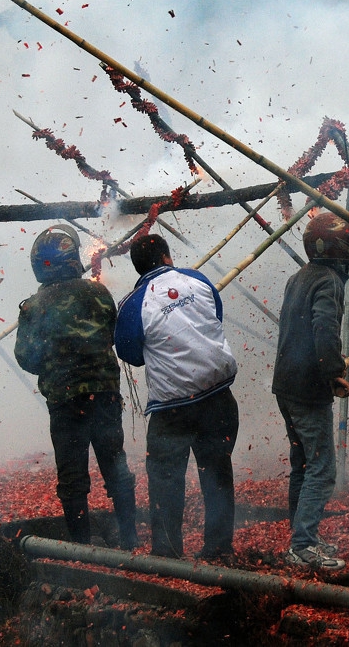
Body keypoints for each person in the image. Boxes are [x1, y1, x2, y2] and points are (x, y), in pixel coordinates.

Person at [115, 234, 239, 561]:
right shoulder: (198, 279)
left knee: (166, 481)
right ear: (168, 257)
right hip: (219, 396)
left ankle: (168, 553)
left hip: (173, 409)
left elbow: (130, 353)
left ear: (138, 267)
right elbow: (214, 320)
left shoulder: (133, 304)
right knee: (217, 472)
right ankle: (219, 549)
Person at [14, 224, 138, 549]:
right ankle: (130, 539)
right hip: (105, 396)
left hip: (64, 402)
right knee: (116, 465)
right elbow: (114, 332)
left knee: (71, 478)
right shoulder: (98, 293)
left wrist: (55, 363)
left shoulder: (32, 307)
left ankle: (81, 546)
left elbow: (25, 357)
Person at [273, 211, 349, 571]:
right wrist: (334, 372)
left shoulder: (298, 277)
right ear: (341, 247)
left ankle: (302, 536)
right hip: (307, 389)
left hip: (286, 385)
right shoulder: (329, 282)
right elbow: (324, 330)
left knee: (302, 465)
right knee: (321, 468)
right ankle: (302, 545)